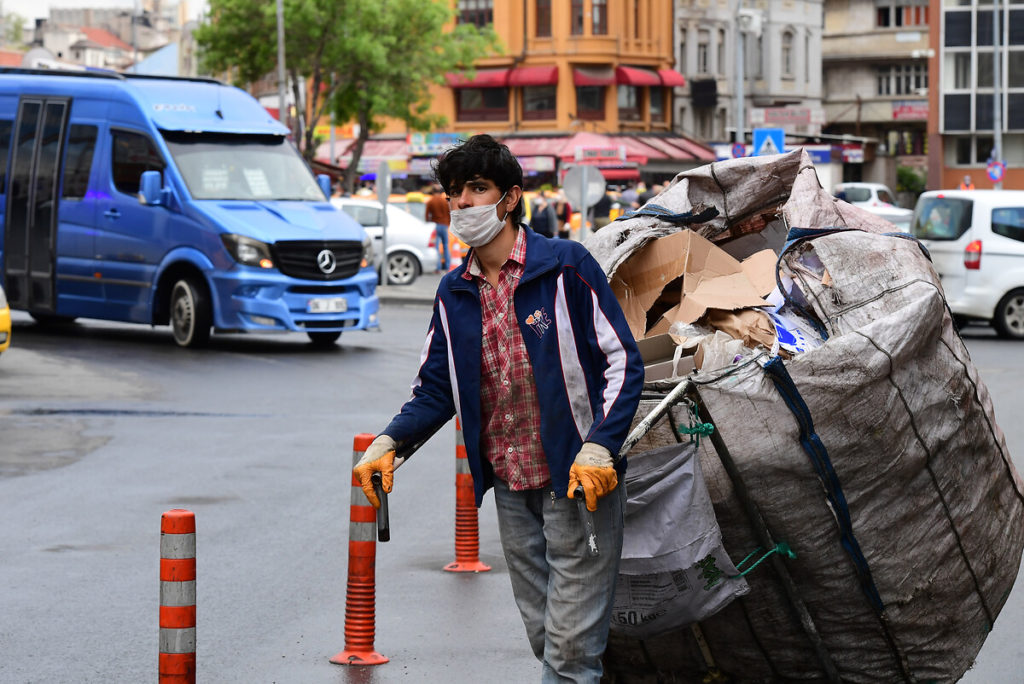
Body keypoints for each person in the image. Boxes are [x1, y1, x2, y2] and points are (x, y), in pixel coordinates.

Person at [353, 134, 644, 683]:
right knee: (546, 638)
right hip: (511, 489)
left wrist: (601, 446)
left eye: (477, 189)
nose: (463, 203)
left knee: (570, 653)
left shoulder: (565, 267)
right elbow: (436, 389)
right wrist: (390, 441)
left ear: (510, 199)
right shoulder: (453, 291)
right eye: (454, 192)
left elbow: (622, 362)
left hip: (579, 483)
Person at [425, 184, 451, 272]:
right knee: (446, 246)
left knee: (436, 247)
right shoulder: (444, 201)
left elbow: (427, 215)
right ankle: (448, 267)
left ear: (432, 191)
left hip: (435, 225)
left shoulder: (431, 201)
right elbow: (449, 212)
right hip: (444, 225)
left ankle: (438, 267)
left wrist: (428, 223)